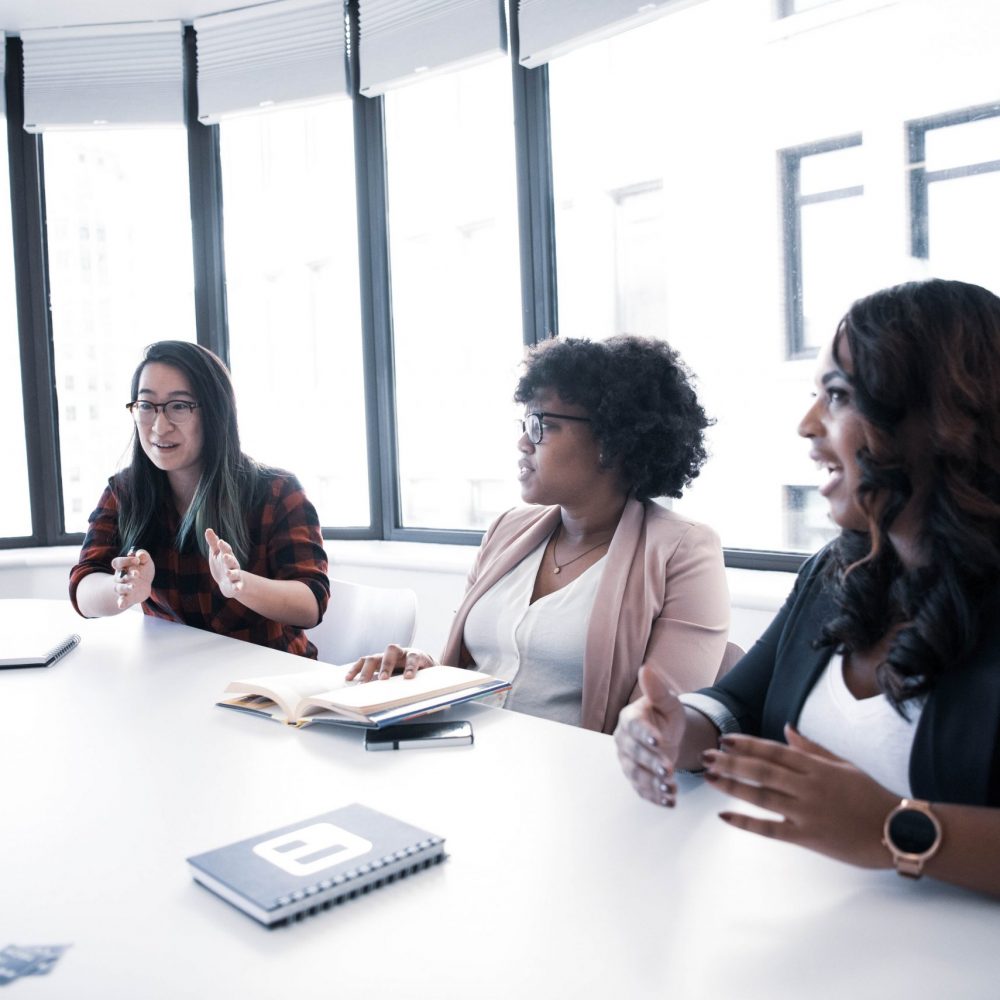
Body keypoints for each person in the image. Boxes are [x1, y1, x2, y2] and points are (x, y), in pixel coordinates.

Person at [615, 278, 1000, 895]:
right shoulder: (834, 570)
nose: (807, 424)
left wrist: (892, 830)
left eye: (839, 396)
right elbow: (736, 705)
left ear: (946, 419)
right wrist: (670, 729)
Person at [349, 334, 730, 733]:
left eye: (540, 425)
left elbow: (657, 729)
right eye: (524, 423)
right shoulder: (506, 530)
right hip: (458, 755)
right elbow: (475, 667)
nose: (522, 442)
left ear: (613, 442)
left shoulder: (683, 551)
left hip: (577, 782)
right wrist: (423, 672)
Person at [70, 341, 330, 657]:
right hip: (176, 678)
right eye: (147, 405)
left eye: (179, 406)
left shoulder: (277, 491)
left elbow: (311, 604)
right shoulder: (125, 492)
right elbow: (84, 588)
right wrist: (122, 588)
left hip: (266, 685)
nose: (159, 426)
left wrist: (239, 585)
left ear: (214, 412)